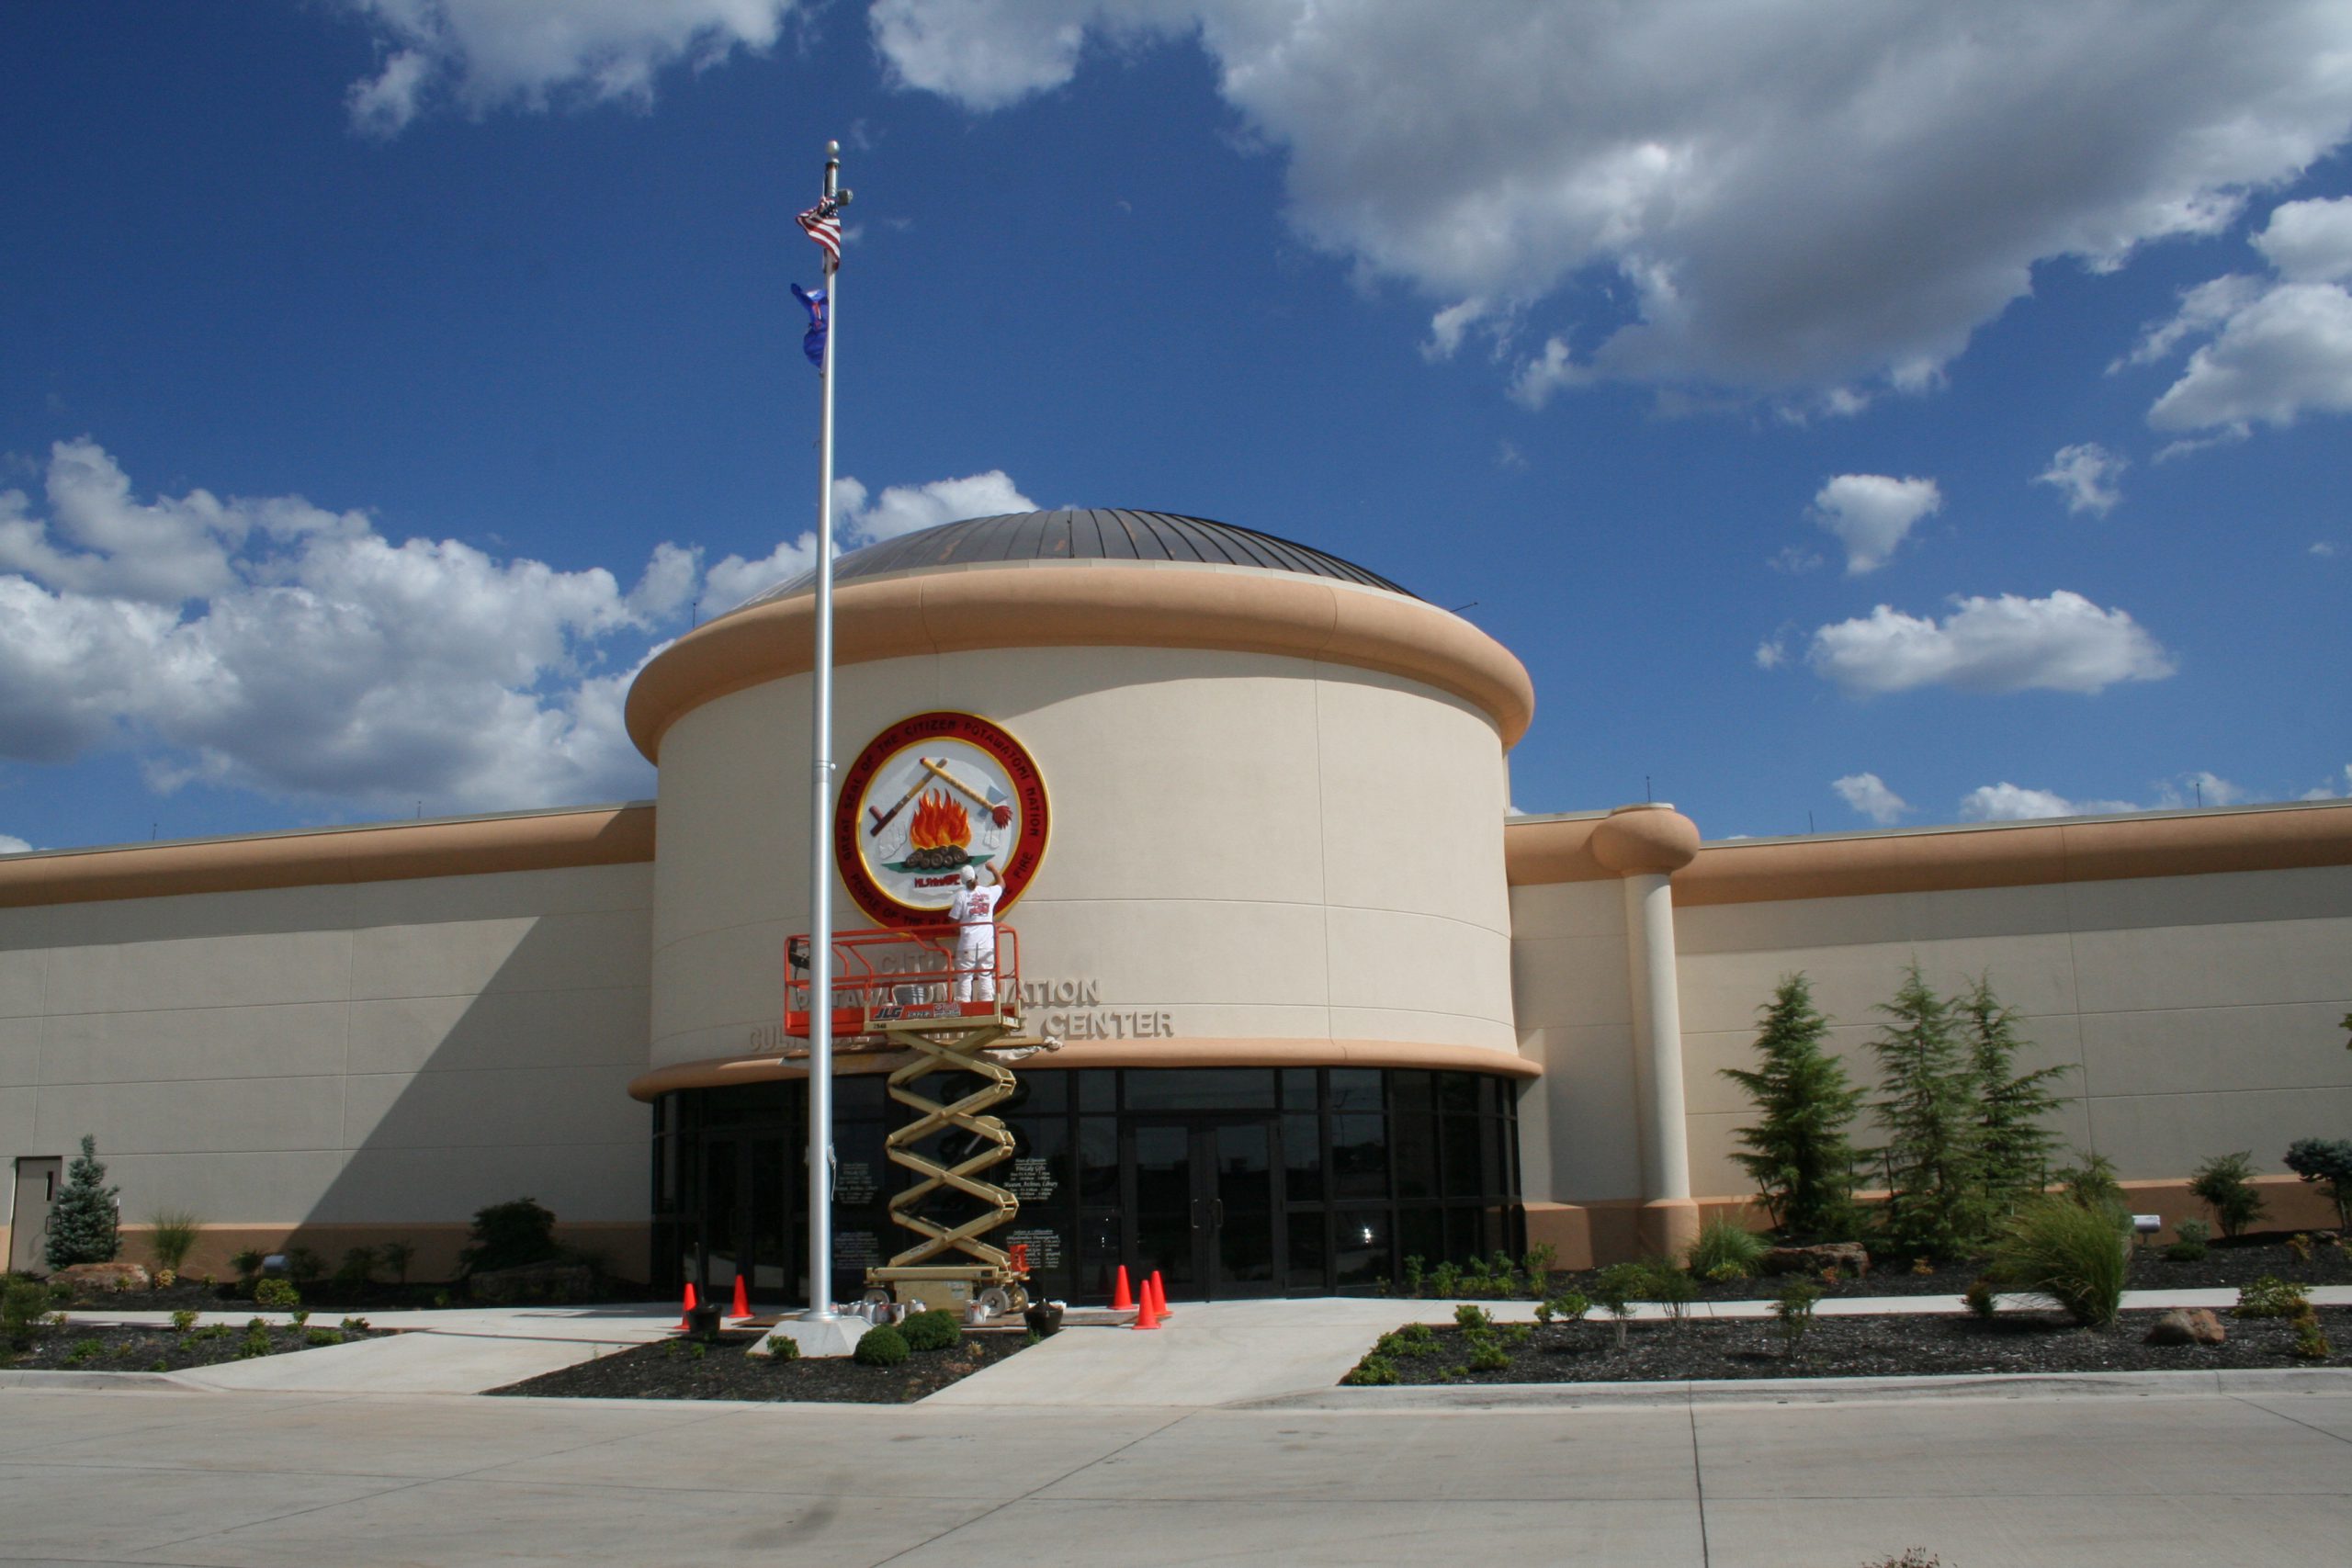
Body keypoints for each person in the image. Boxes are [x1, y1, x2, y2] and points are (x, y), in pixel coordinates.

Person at [948, 863, 1004, 1002]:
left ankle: (964, 1004)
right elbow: (1002, 884)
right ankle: (987, 1003)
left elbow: (953, 919)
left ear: (963, 881)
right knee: (986, 975)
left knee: (965, 976)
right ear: (976, 877)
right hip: (986, 944)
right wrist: (992, 869)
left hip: (967, 943)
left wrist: (958, 930)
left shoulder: (961, 896)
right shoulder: (988, 893)